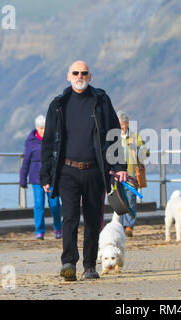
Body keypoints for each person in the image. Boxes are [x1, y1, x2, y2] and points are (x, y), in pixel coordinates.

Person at [40, 60, 127, 281]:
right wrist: (46, 174)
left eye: (84, 72)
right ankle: (68, 262)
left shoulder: (101, 100)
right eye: (76, 72)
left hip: (95, 170)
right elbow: (48, 142)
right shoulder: (58, 104)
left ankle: (89, 266)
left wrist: (119, 167)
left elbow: (114, 134)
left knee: (92, 218)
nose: (80, 76)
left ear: (91, 76)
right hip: (67, 171)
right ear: (68, 76)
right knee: (69, 217)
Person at [19, 115, 62, 240]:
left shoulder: (53, 140)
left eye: (46, 128)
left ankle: (58, 228)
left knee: (55, 205)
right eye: (42, 128)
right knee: (39, 205)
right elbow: (26, 161)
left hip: (52, 178)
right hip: (36, 179)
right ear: (38, 128)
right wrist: (23, 178)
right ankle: (39, 231)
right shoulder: (31, 142)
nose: (44, 130)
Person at [116, 111, 150, 237]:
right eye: (120, 125)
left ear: (127, 124)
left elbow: (146, 151)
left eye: (124, 125)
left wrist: (140, 151)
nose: (122, 127)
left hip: (131, 175)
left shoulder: (135, 136)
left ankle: (129, 226)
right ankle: (120, 225)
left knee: (130, 200)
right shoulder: (114, 136)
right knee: (119, 201)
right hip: (117, 176)